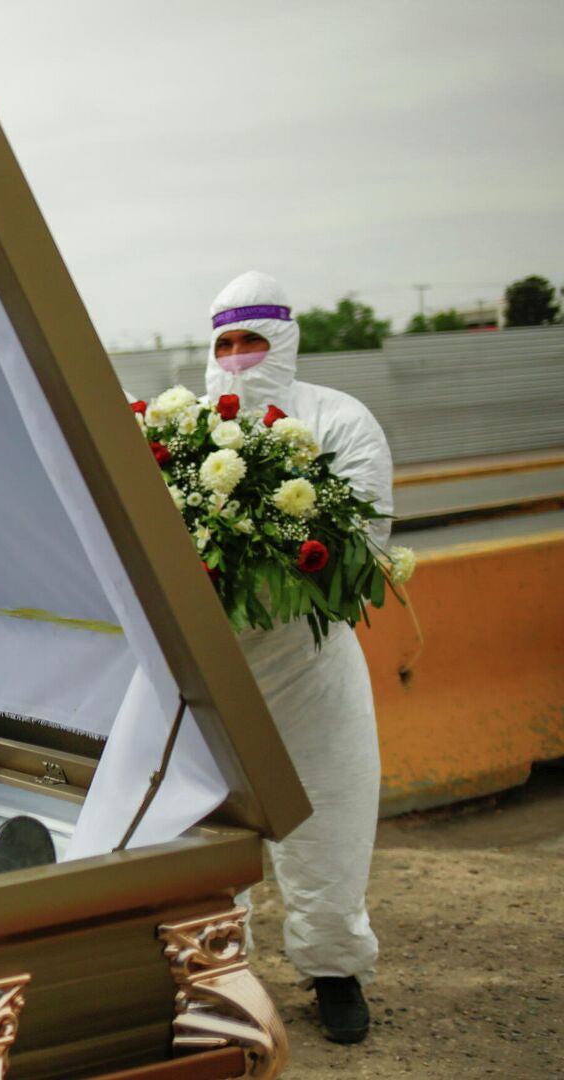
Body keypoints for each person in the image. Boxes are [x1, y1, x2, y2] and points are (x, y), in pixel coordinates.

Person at [204, 270, 391, 1045]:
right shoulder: (182, 428)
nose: (239, 358)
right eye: (227, 343)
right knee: (207, 832)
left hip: (312, 666)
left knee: (331, 819)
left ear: (284, 341)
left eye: (255, 341)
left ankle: (335, 971)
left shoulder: (339, 419)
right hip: (210, 671)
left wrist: (269, 554)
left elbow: (365, 541)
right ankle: (219, 976)